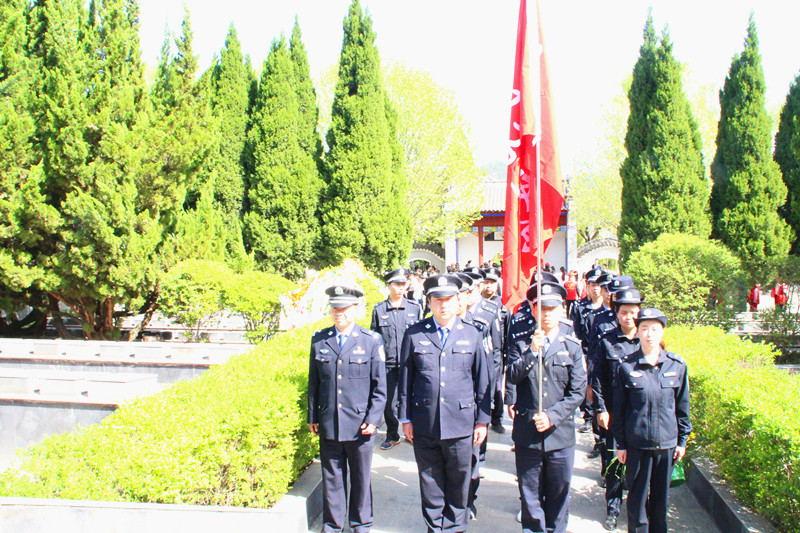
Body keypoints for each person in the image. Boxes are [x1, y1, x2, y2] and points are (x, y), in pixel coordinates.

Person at [398, 274, 491, 533]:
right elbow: (406, 380)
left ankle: (454, 528)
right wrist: (405, 418)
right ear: (429, 302)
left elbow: (483, 381)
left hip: (461, 424)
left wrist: (483, 420)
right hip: (425, 422)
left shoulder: (472, 334)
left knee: (459, 480)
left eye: (449, 299)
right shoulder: (415, 334)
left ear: (458, 300)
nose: (443, 305)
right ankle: (434, 528)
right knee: (429, 480)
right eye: (437, 300)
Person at [507, 282, 587, 533]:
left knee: (558, 494)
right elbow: (511, 375)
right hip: (527, 433)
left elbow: (577, 393)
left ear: (562, 310)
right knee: (530, 495)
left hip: (560, 434)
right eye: (541, 308)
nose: (547, 314)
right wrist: (532, 351)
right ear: (532, 310)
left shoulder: (571, 346)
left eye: (552, 308)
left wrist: (552, 416)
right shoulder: (521, 343)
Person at [307, 285, 388, 533]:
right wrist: (313, 416)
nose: (338, 312)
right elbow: (314, 383)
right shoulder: (320, 340)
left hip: (360, 425)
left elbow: (380, 386)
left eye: (343, 308)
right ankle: (332, 524)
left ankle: (361, 523)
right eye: (334, 308)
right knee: (332, 477)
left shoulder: (371, 341)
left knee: (361, 478)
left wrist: (374, 419)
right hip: (330, 421)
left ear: (355, 309)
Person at [613, 308, 692, 533]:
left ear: (662, 332)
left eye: (654, 329)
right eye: (644, 328)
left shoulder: (677, 365)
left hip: (666, 445)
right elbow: (619, 410)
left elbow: (682, 406)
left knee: (660, 503)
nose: (649, 334)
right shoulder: (626, 366)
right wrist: (620, 443)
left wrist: (682, 441)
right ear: (637, 332)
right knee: (637, 503)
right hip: (637, 445)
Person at [591, 288, 643, 531]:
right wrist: (600, 409)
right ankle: (612, 509)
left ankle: (637, 510)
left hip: (641, 415)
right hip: (614, 413)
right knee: (614, 463)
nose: (628, 317)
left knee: (639, 467)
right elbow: (598, 378)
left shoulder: (648, 341)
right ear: (617, 313)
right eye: (624, 312)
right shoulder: (607, 341)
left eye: (633, 312)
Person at [371, 268, 423, 450]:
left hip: (411, 362)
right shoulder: (379, 310)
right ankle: (393, 435)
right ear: (389, 286)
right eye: (396, 284)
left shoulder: (414, 308)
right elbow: (375, 339)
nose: (400, 288)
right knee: (389, 402)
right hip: (388, 363)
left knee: (413, 397)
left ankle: (413, 432)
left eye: (403, 284)